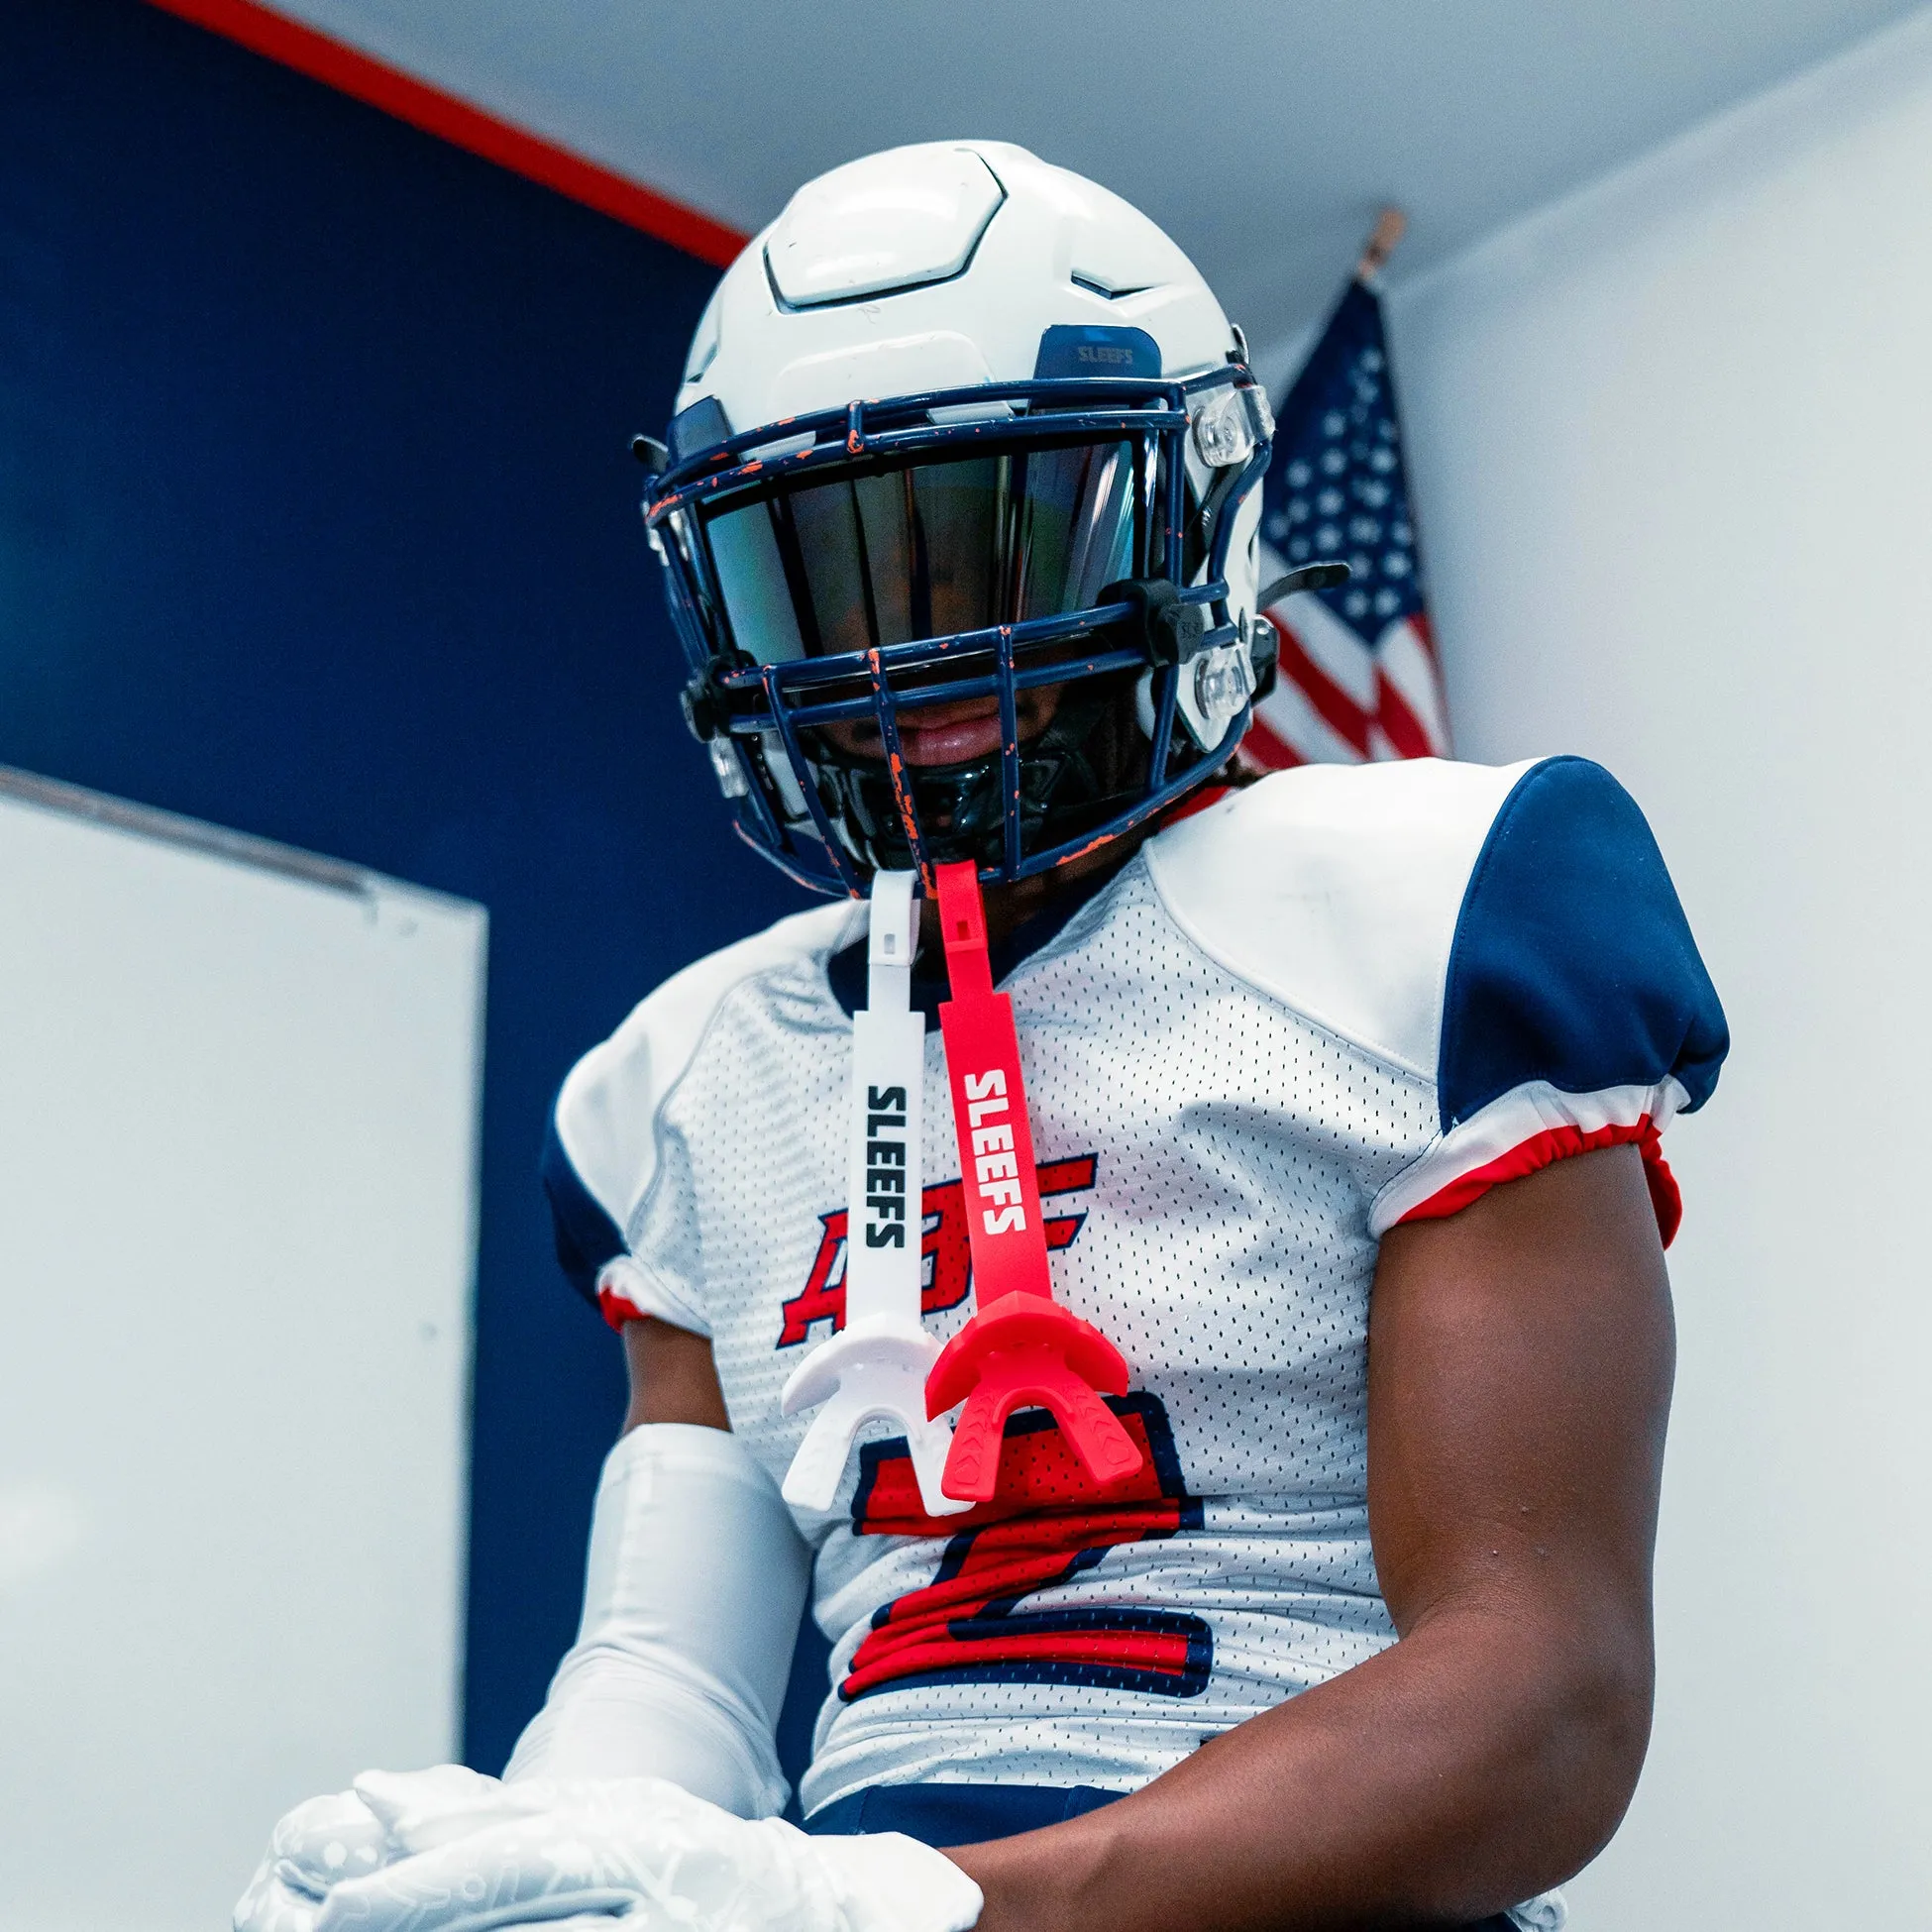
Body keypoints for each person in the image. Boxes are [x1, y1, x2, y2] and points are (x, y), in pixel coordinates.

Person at [235, 142, 1727, 1932]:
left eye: (1001, 545)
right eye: (833, 579)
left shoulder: (1431, 907)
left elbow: (1539, 1695)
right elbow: (670, 1685)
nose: (916, 664)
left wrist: (917, 1911)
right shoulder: (688, 1079)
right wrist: (536, 1876)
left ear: (1193, 513)